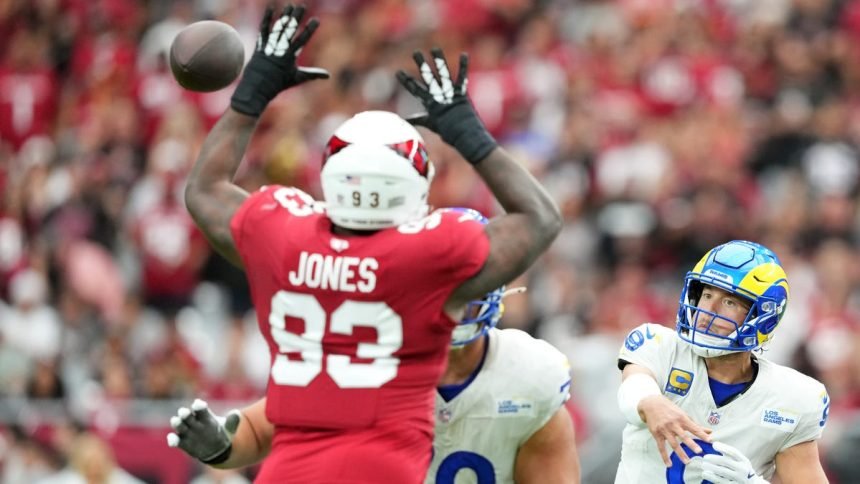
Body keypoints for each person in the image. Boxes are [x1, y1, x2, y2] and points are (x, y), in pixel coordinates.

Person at [179, 4, 562, 483]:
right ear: (417, 183)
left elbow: (204, 190)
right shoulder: (429, 255)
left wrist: (252, 93)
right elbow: (540, 218)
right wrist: (471, 137)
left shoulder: (286, 236)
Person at [167, 208, 579, 483]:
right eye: (439, 284)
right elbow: (262, 429)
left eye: (464, 286)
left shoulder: (527, 377)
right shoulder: (363, 357)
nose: (450, 301)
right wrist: (220, 444)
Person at [615, 240, 830, 484]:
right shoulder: (660, 345)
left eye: (729, 302)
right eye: (707, 295)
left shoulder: (792, 398)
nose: (708, 310)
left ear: (763, 317)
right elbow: (634, 384)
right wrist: (650, 401)